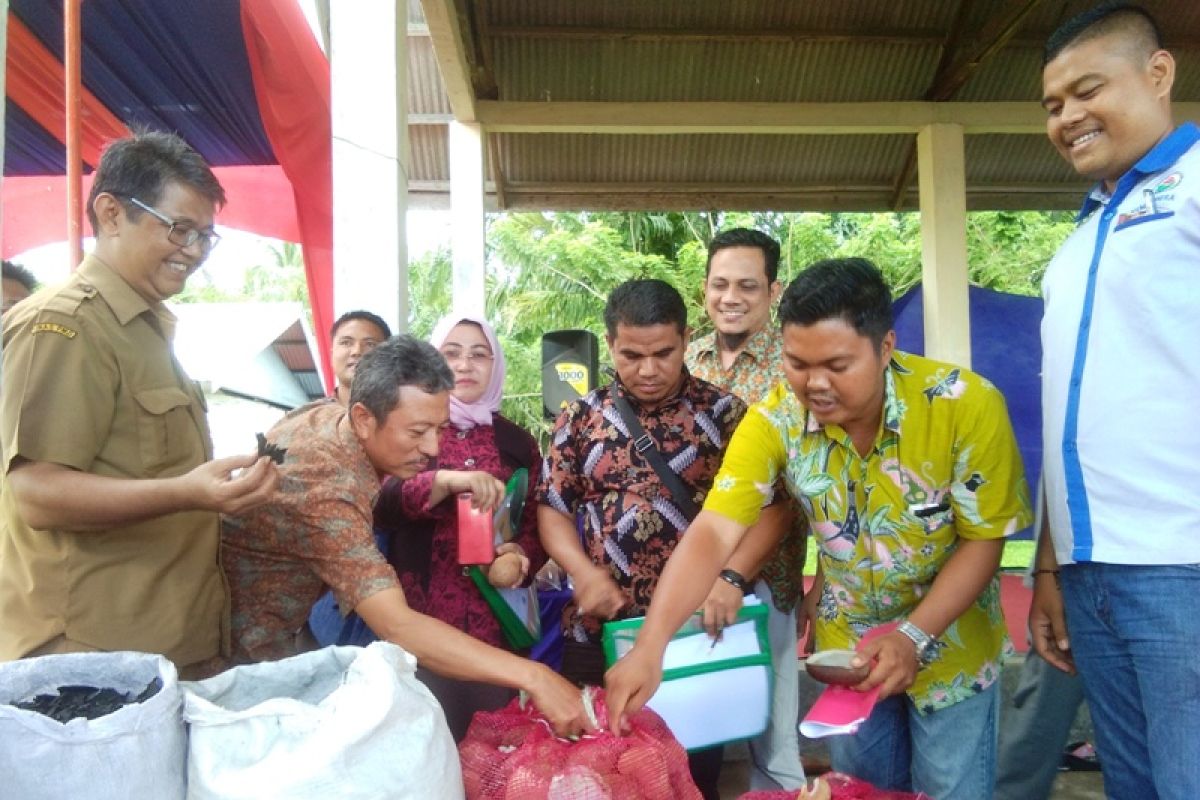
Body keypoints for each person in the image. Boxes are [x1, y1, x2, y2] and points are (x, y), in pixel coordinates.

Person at [606, 258, 1032, 800]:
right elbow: (713, 531)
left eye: (837, 364)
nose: (816, 384)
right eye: (797, 363)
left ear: (885, 347)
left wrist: (913, 635)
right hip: (848, 657)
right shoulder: (775, 420)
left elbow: (984, 538)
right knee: (859, 790)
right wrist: (651, 645)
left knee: (950, 791)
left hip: (953, 649)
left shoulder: (964, 405)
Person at [0, 131, 279, 678]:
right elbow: (37, 492)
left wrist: (212, 491)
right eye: (179, 229)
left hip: (154, 648)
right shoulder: (65, 325)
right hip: (86, 659)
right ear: (111, 214)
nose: (193, 251)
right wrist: (188, 492)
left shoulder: (142, 330)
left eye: (205, 236)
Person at [221, 334, 590, 737]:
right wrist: (535, 676)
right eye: (417, 432)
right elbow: (398, 625)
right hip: (235, 659)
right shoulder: (326, 487)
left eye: (440, 429)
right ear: (364, 418)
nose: (432, 448)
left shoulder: (331, 420)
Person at [1031, 4, 1200, 797]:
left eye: (1087, 90)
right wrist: (1049, 563)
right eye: (1053, 104)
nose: (1067, 117)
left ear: (1158, 74)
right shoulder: (1076, 246)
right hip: (1089, 574)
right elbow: (1067, 418)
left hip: (1181, 563)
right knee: (1135, 785)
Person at [536, 278, 748, 800]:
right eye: (631, 355)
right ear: (610, 344)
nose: (648, 370)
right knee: (603, 771)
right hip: (598, 632)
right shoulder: (579, 418)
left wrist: (731, 576)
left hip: (693, 631)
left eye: (663, 353)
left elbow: (767, 512)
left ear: (686, 339)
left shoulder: (725, 415)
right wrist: (583, 573)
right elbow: (553, 510)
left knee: (692, 773)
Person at [331, 312, 548, 741]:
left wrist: (519, 556)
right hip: (416, 614)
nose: (465, 365)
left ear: (495, 363)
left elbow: (534, 519)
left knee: (491, 746)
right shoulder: (402, 423)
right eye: (452, 353)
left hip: (494, 620)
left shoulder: (517, 443)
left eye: (479, 354)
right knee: (421, 740)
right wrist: (443, 482)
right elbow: (380, 503)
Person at [685, 227, 809, 791]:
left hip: (768, 574)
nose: (730, 297)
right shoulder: (685, 361)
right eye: (720, 284)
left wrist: (736, 575)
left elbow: (796, 491)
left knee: (774, 736)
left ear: (773, 291)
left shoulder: (794, 367)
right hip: (690, 570)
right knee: (689, 724)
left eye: (747, 286)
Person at [329, 310, 392, 406]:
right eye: (346, 342)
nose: (357, 351)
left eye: (370, 344)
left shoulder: (406, 412)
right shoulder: (311, 414)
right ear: (332, 352)